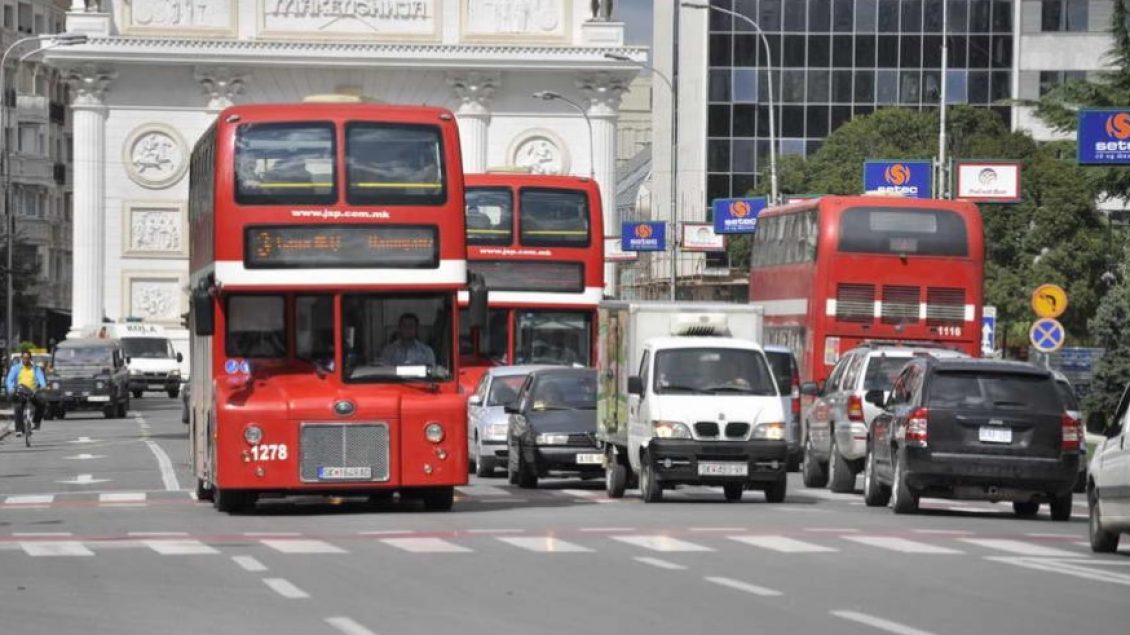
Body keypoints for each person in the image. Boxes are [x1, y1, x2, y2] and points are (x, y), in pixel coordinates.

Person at [5, 350, 47, 435]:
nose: (25, 360)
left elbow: (42, 380)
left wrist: (43, 386)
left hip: (33, 392)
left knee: (42, 402)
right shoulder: (16, 368)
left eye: (27, 358)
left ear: (30, 359)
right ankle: (19, 429)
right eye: (24, 358)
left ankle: (36, 422)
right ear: (21, 358)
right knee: (18, 407)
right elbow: (9, 380)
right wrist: (11, 388)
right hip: (21, 392)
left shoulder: (35, 368)